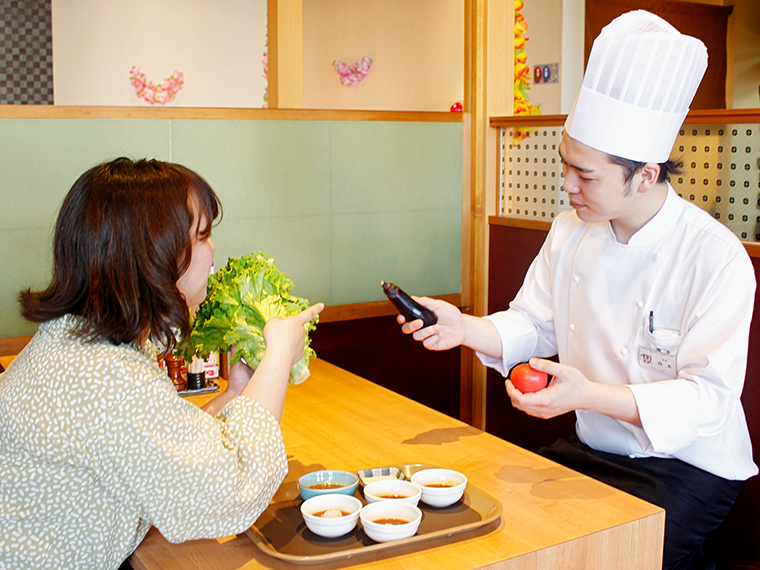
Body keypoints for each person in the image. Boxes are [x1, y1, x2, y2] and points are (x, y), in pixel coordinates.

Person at [397, 10, 756, 570]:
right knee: (508, 535)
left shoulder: (715, 256)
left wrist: (584, 393)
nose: (568, 186)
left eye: (586, 176)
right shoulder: (571, 230)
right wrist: (463, 328)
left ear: (646, 174)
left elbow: (707, 400)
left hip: (690, 467)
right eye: (567, 165)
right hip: (592, 450)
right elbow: (533, 324)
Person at [0, 158, 323, 570]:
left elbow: (163, 451)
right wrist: (278, 354)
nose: (212, 251)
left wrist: (238, 393)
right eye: (203, 236)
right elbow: (229, 494)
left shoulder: (72, 338)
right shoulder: (106, 376)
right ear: (156, 253)